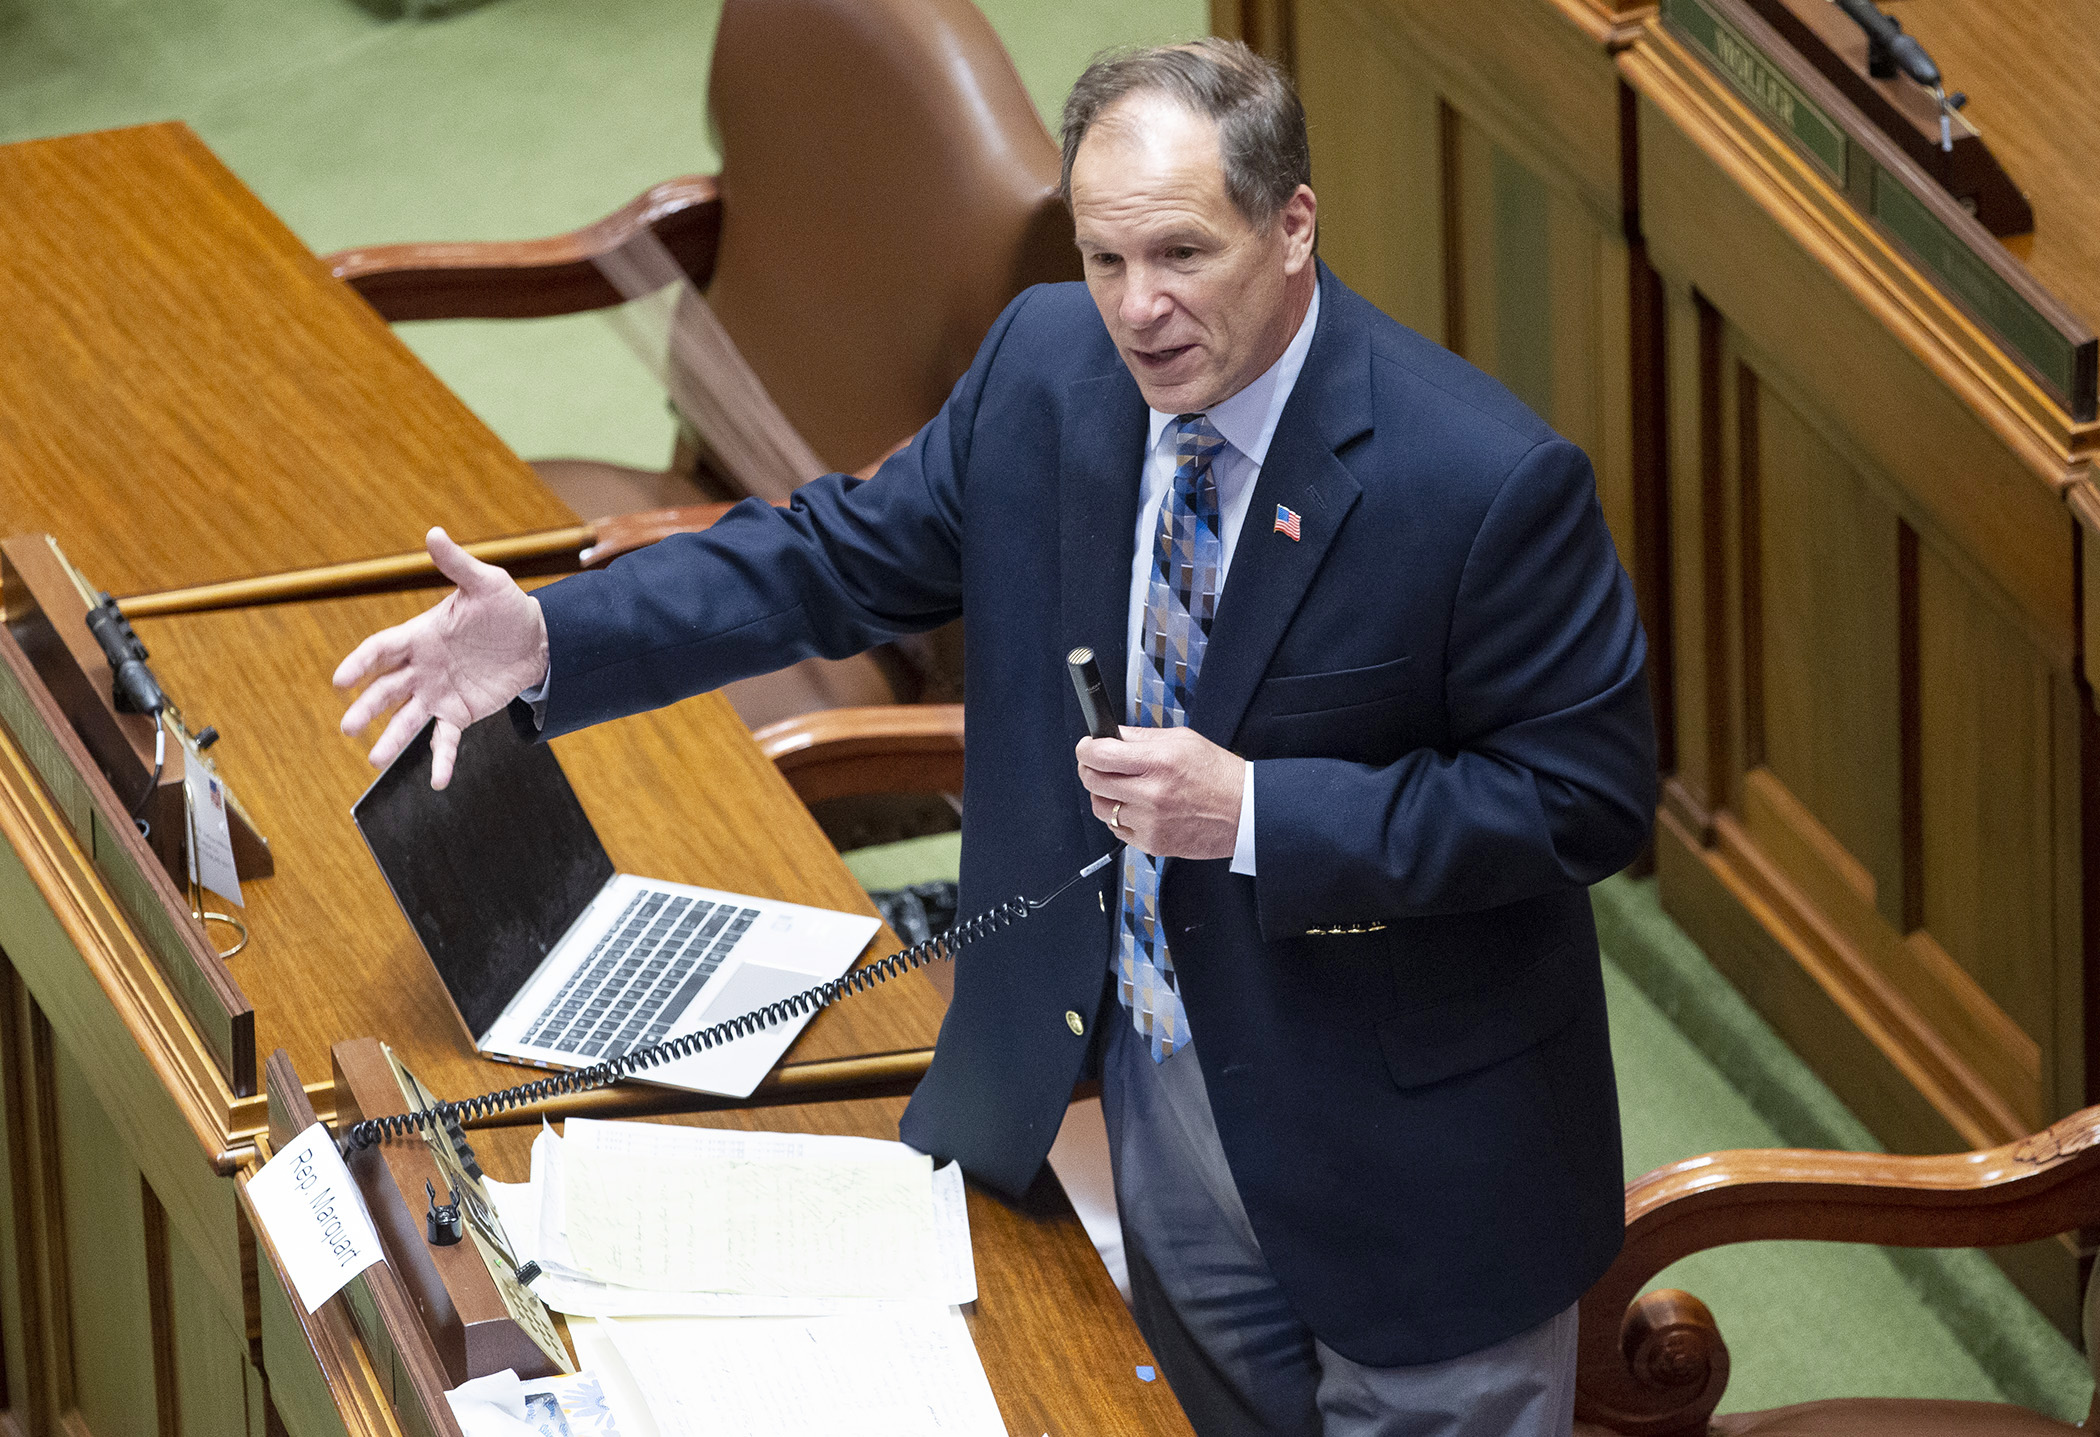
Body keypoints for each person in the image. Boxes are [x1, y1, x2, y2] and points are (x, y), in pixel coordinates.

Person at [336, 38, 1654, 1437]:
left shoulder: (1484, 483)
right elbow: (830, 558)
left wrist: (1259, 814)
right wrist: (553, 640)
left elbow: (1581, 797)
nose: (1138, 311)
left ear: (1293, 225)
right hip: (1152, 1088)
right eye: (1102, 259)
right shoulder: (1049, 366)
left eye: (1181, 256)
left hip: (1411, 1174)